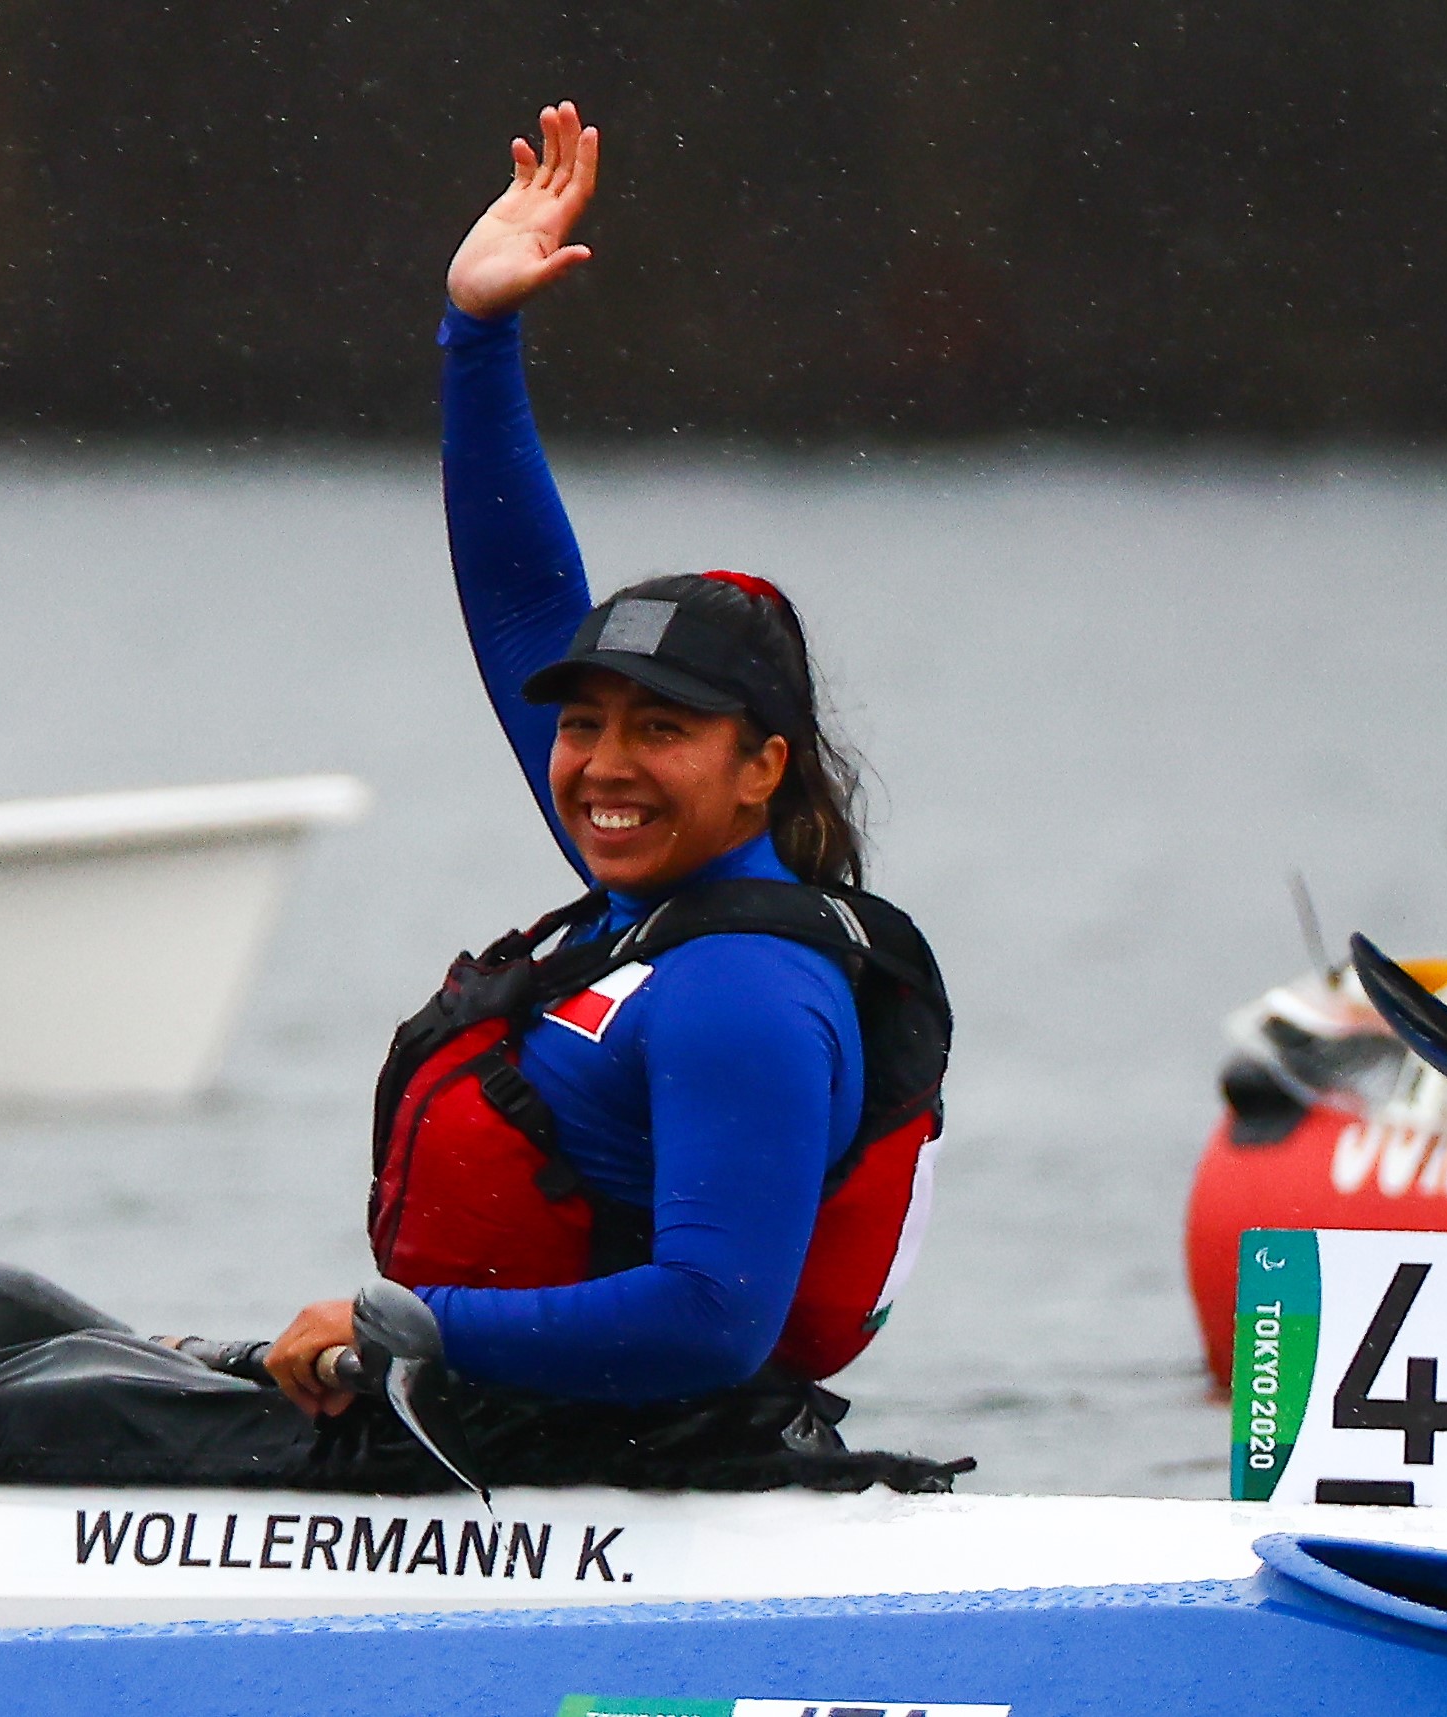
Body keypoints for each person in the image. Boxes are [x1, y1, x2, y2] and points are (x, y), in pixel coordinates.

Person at [253, 102, 957, 1483]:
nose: (603, 765)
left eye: (662, 729)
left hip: (606, 1484)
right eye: (583, 725)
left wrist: (401, 1322)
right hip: (501, 1441)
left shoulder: (742, 985)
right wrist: (475, 333)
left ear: (762, 766)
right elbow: (521, 603)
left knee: (8, 1410)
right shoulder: (641, 899)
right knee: (21, 1337)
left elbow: (710, 1316)